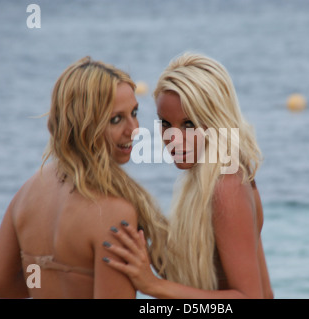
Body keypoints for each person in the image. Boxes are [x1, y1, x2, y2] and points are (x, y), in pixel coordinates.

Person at [0, 56, 168, 299]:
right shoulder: (112, 212)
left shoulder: (28, 192)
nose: (134, 129)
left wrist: (55, 280)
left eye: (134, 112)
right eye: (116, 119)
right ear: (85, 125)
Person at [103, 53, 274, 298]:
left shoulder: (227, 187)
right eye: (165, 123)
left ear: (216, 121)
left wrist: (152, 285)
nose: (173, 138)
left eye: (188, 124)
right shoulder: (215, 175)